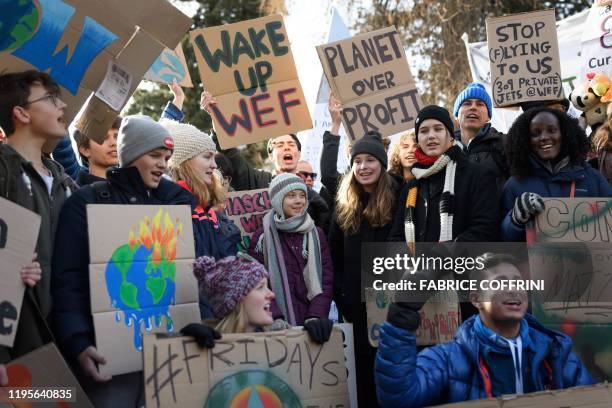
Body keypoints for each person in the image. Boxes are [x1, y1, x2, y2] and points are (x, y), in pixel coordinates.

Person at [51, 115, 196, 406]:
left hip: (168, 355)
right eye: (154, 155)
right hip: (108, 355)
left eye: (166, 157)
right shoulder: (86, 203)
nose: (162, 164)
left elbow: (186, 204)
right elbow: (68, 281)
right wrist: (78, 342)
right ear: (130, 154)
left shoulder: (167, 206)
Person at [375, 253, 595, 407]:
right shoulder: (448, 359)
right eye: (499, 283)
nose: (513, 289)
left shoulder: (557, 354)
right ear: (476, 299)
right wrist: (401, 316)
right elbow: (399, 399)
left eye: (518, 282)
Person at [0, 70, 76, 366]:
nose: (63, 106)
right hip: (19, 349)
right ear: (21, 113)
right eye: (50, 98)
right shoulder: (4, 172)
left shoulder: (65, 182)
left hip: (67, 342)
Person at [328, 130, 398, 407]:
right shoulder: (344, 205)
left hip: (391, 307)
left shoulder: (400, 197)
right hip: (355, 311)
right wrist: (342, 294)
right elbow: (332, 256)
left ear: (382, 163)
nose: (363, 167)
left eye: (370, 160)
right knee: (364, 384)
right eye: (358, 161)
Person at [200, 91, 330, 231]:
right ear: (271, 156)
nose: (286, 147)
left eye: (291, 145)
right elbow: (232, 155)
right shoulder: (260, 181)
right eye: (279, 145)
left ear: (298, 154)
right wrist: (217, 118)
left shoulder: (313, 198)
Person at [389, 105, 500, 247]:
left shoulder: (477, 176)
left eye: (438, 129)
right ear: (418, 140)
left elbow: (486, 229)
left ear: (451, 137)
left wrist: (441, 257)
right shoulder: (410, 189)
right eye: (424, 131)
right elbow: (395, 238)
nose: (431, 136)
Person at [501, 107, 612, 242]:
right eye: (535, 133)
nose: (544, 137)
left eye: (552, 130)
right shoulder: (515, 185)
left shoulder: (592, 178)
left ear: (564, 134)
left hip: (588, 261)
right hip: (534, 262)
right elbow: (503, 238)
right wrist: (515, 220)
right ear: (526, 140)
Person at [186, 254, 334, 345]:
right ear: (236, 301)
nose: (271, 295)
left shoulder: (281, 338)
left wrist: (309, 337)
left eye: (267, 286)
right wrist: (186, 343)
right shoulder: (206, 342)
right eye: (260, 287)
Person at [249, 173, 333, 328]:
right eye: (291, 196)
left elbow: (325, 280)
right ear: (278, 200)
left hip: (311, 323)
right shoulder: (262, 237)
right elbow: (256, 282)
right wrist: (274, 317)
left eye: (302, 195)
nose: (298, 201)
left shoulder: (316, 233)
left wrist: (315, 316)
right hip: (277, 326)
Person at [162, 119, 239, 259]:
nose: (214, 165)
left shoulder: (207, 206)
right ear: (185, 162)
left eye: (213, 158)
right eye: (207, 157)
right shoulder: (174, 208)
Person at [453, 83, 508, 194]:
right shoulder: (445, 150)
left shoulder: (505, 144)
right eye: (467, 103)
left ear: (488, 116)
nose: (473, 107)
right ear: (456, 115)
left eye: (480, 104)